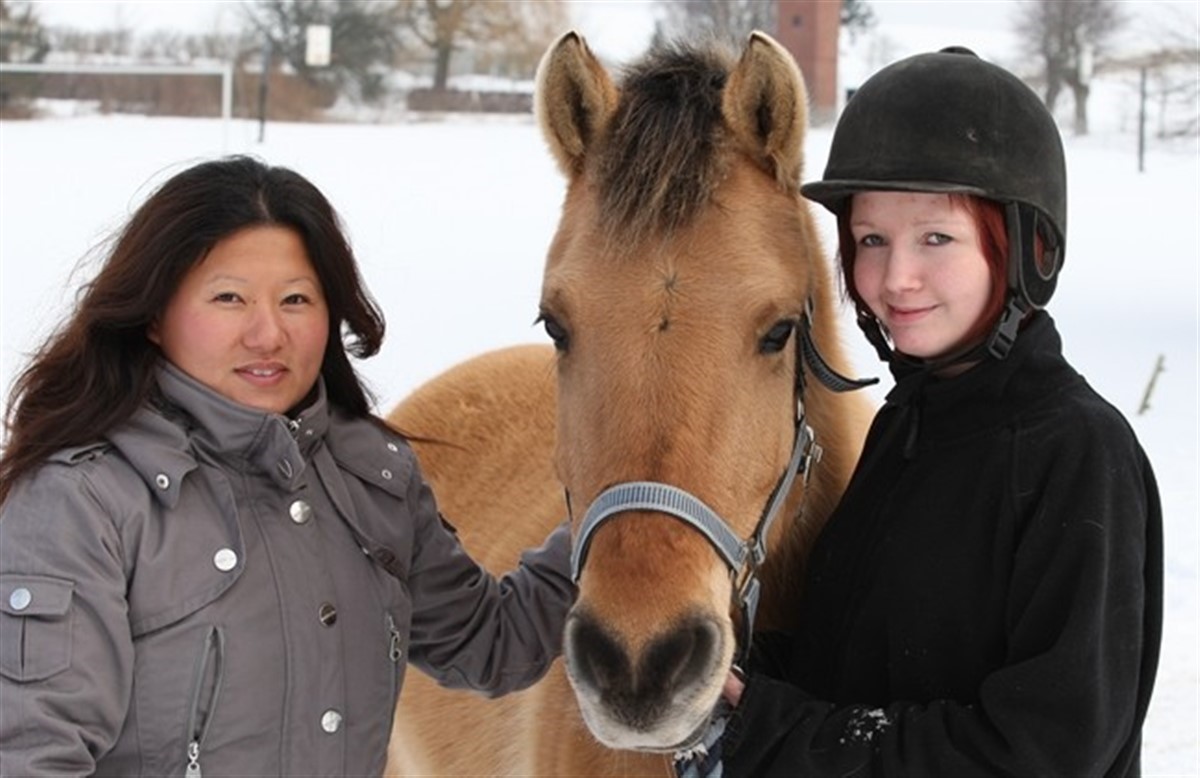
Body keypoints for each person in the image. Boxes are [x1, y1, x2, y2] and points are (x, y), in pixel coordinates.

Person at [0, 156, 575, 776]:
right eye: (229, 298)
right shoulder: (82, 503)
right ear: (155, 317)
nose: (268, 334)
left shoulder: (371, 480)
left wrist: (617, 519)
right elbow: (33, 754)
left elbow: (491, 643)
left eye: (296, 299)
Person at [684, 47, 1163, 777]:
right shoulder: (908, 424)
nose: (895, 277)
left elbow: (1042, 755)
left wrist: (775, 729)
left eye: (936, 238)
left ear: (1026, 249)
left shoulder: (1077, 454)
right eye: (871, 240)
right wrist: (715, 667)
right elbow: (852, 661)